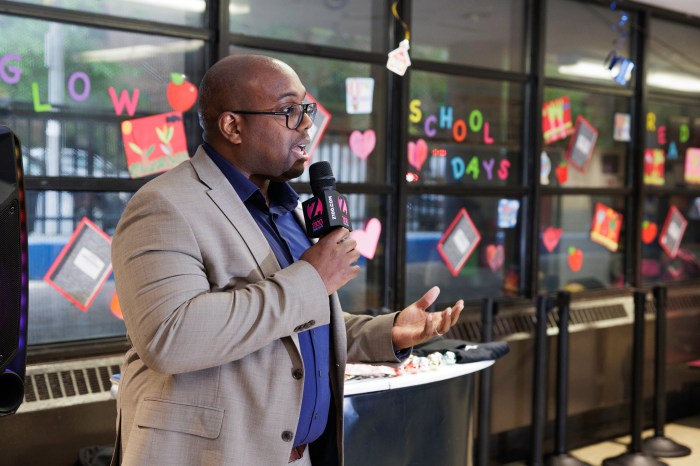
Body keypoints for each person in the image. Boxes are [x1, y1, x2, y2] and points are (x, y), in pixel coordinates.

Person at [110, 54, 464, 466]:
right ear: (233, 126)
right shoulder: (163, 205)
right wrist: (311, 277)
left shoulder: (287, 209)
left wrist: (388, 333)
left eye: (306, 108)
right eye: (289, 111)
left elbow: (294, 324)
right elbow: (170, 338)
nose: (307, 124)